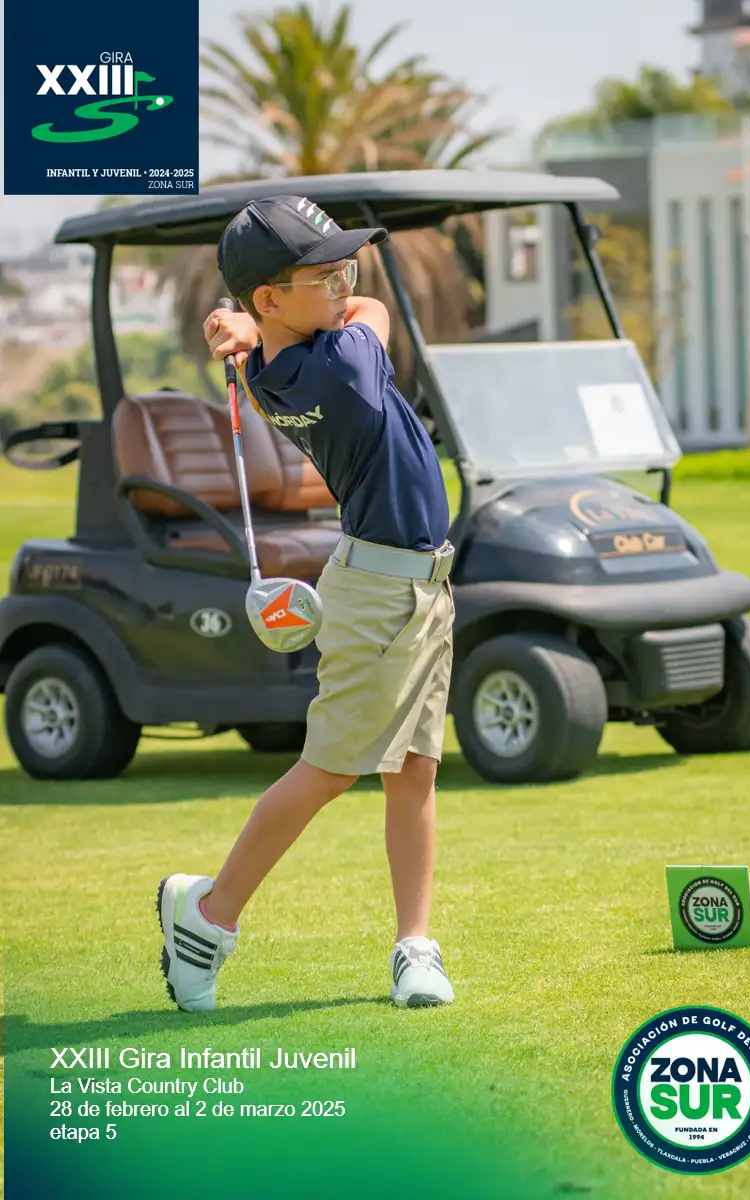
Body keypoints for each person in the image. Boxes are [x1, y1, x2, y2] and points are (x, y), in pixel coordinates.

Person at [156, 194, 457, 1012]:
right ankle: (207, 918)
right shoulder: (342, 364)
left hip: (420, 585)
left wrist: (255, 329)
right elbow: (375, 312)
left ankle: (414, 945)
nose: (344, 285)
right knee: (329, 769)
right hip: (378, 593)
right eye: (324, 275)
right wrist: (258, 326)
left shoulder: (271, 368)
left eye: (344, 269)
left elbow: (340, 309)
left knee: (415, 769)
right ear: (270, 296)